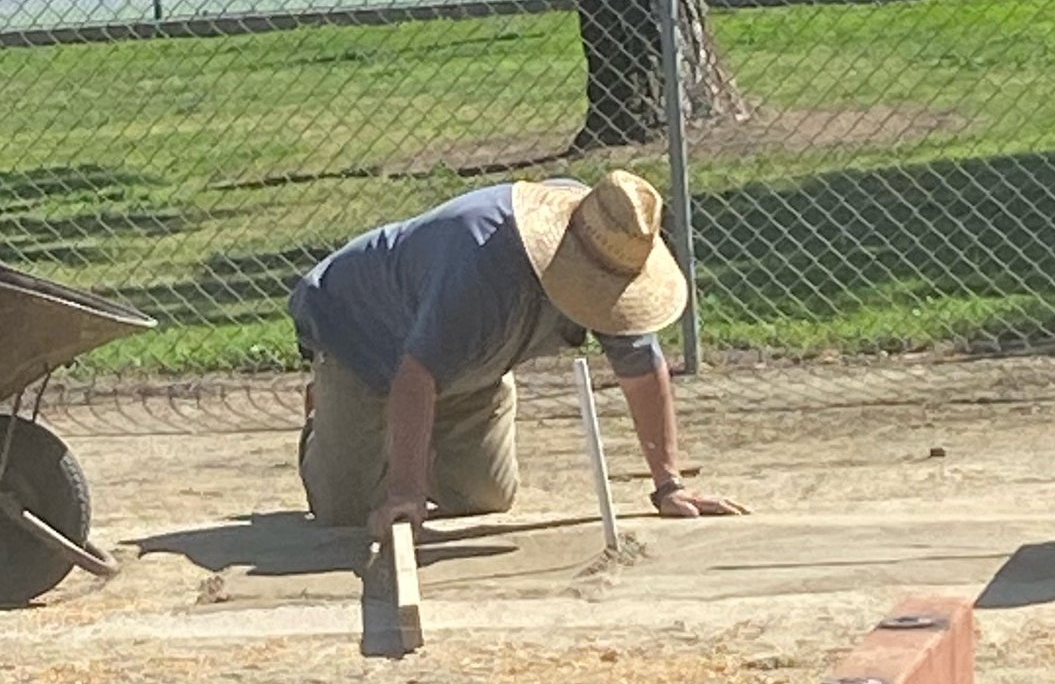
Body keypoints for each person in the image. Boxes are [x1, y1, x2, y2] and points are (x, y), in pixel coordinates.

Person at [289, 173, 744, 535]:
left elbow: (643, 370)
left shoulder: (613, 242)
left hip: (467, 363)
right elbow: (415, 376)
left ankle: (410, 432)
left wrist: (669, 485)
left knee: (483, 497)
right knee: (347, 510)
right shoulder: (481, 259)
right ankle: (325, 419)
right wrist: (404, 493)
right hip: (361, 336)